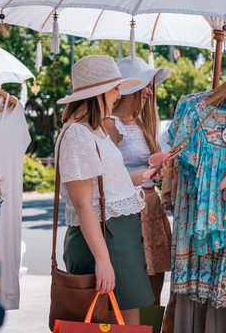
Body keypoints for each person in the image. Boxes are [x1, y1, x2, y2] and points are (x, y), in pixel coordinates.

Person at [56, 55, 155, 325]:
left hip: (117, 234)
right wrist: (102, 259)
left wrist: (152, 173)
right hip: (105, 237)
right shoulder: (77, 133)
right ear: (98, 92)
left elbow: (113, 183)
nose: (118, 94)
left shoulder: (93, 130)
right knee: (116, 322)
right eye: (115, 88)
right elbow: (83, 203)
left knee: (125, 320)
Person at [103, 57, 172, 305]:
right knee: (132, 288)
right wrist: (149, 173)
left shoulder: (143, 123)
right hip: (128, 210)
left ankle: (151, 327)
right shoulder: (110, 124)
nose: (149, 92)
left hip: (151, 206)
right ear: (131, 87)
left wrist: (162, 168)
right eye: (146, 85)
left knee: (156, 283)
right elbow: (106, 178)